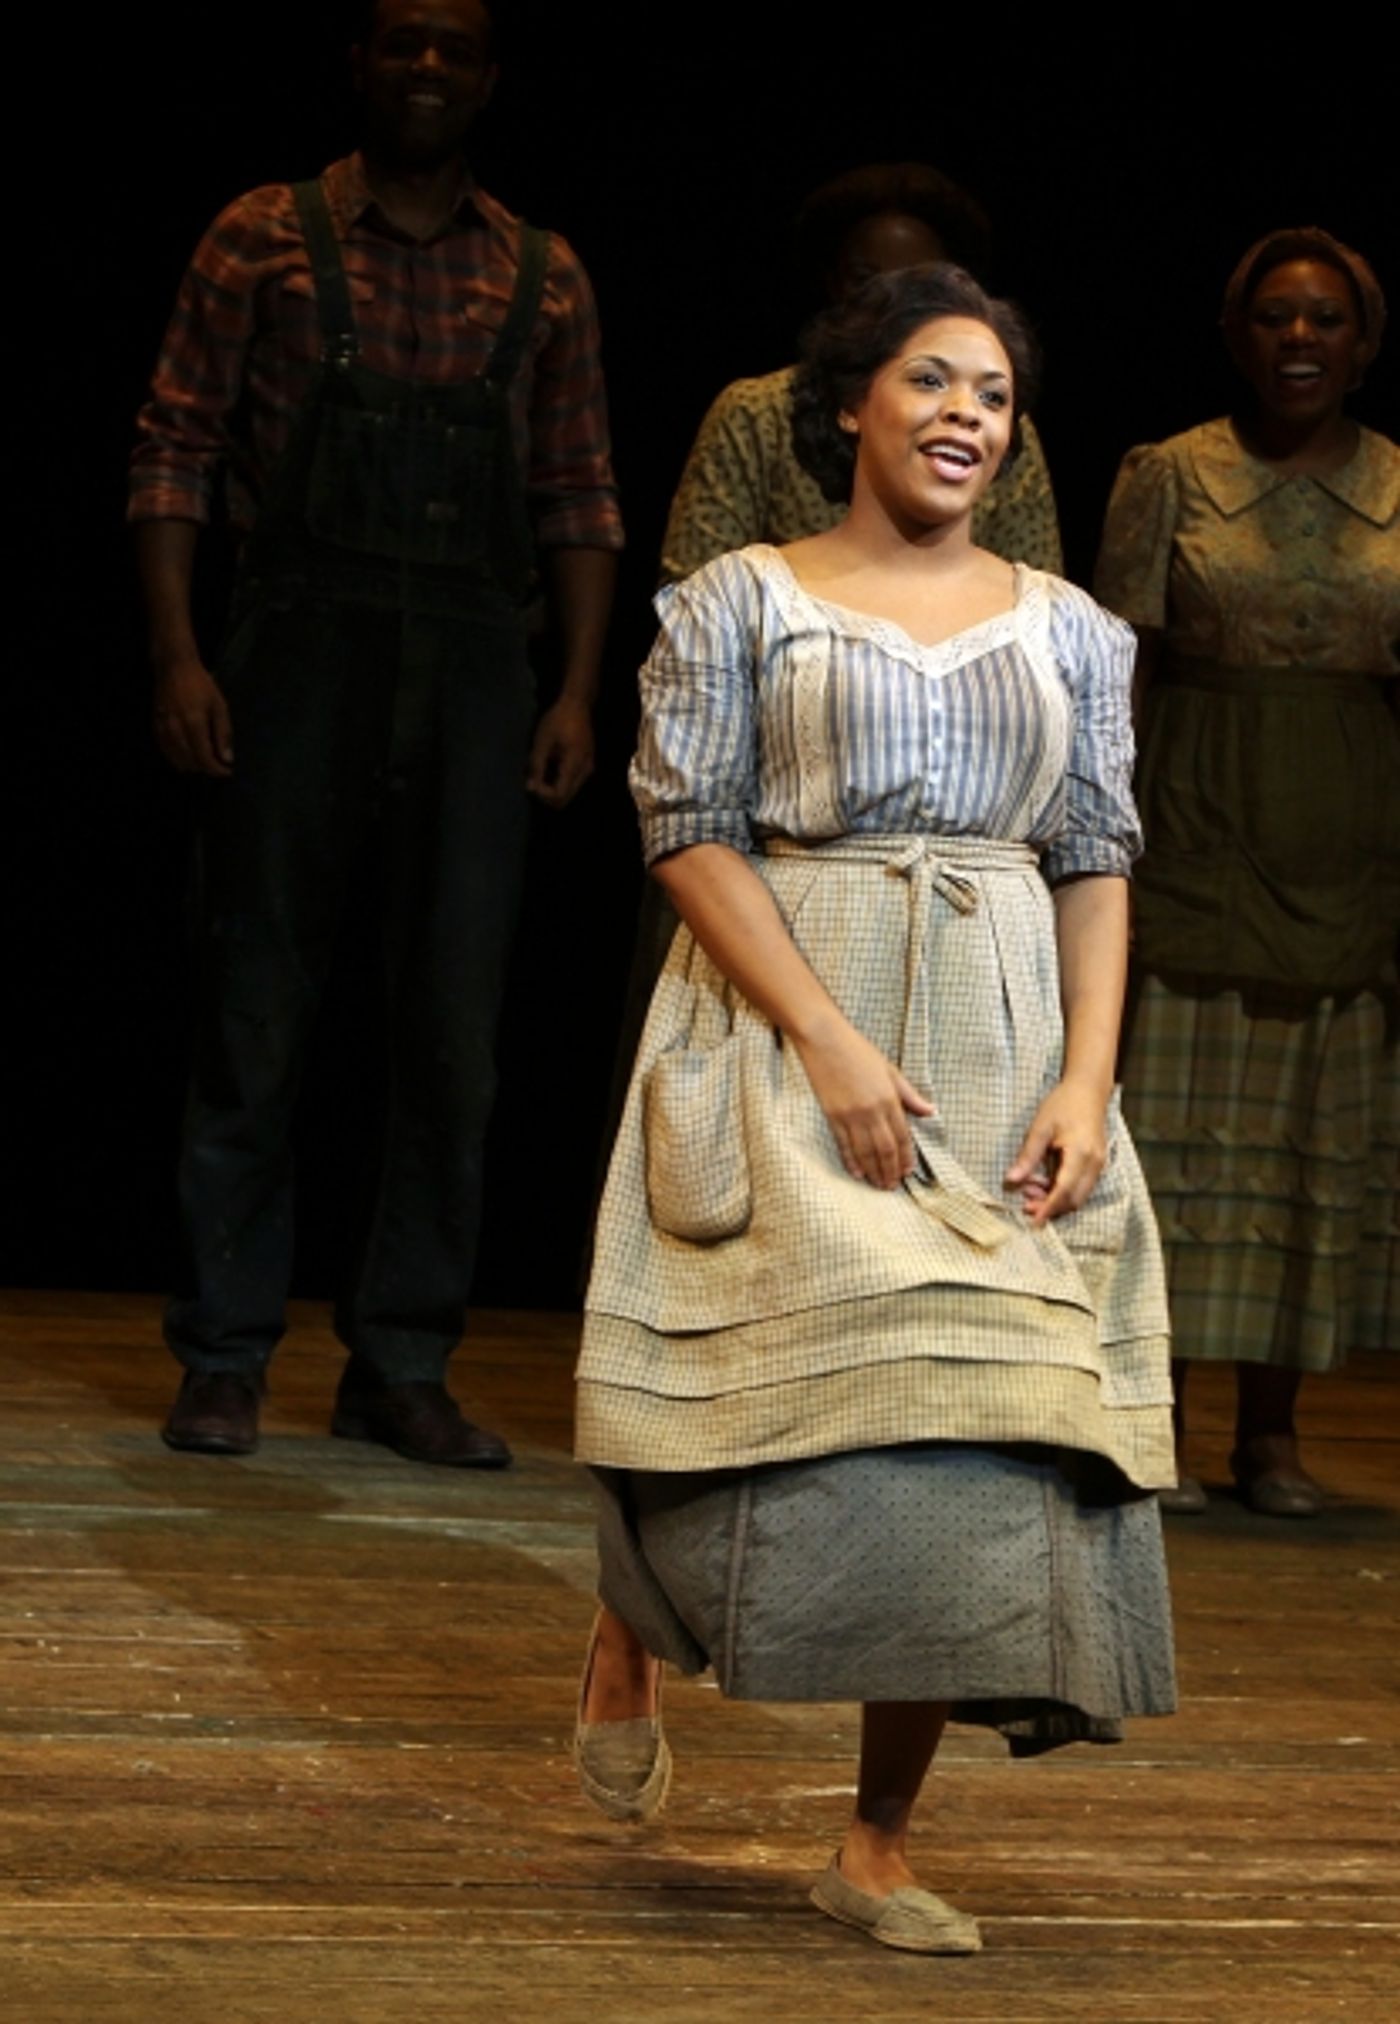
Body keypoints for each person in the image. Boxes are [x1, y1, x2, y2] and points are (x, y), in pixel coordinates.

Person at [571, 265, 1176, 1954]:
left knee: (971, 1431)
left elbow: (1098, 856)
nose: (967, 412)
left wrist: (1084, 1073)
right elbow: (689, 828)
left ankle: (879, 1834)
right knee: (749, 1366)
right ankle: (633, 1617)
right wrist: (826, 1036)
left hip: (997, 1031)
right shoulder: (742, 601)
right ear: (848, 403)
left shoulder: (1069, 629)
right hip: (791, 1000)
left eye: (993, 390)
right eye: (932, 379)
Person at [128, 0, 622, 1464]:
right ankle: (223, 1351)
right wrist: (179, 654)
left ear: (488, 78)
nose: (425, 69)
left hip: (477, 668)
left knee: (453, 1035)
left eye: (454, 50)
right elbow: (173, 449)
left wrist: (578, 688)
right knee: (258, 1009)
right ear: (358, 63)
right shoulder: (262, 233)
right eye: (399, 43)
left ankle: (401, 1359)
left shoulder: (543, 271)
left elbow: (579, 494)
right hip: (293, 651)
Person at [1094, 228, 1398, 1517]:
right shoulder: (1170, 473)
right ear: (1235, 335)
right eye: (1273, 317)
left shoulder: (1394, 483)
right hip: (1195, 809)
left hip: (1344, 825)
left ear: (1360, 342)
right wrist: (1097, 820)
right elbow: (1119, 659)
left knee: (1301, 1139)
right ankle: (1146, 1418)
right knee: (1162, 1133)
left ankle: (1268, 1434)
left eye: (1323, 319)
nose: (1297, 340)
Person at [659, 161, 1063, 585]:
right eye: (866, 279)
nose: (892, 302)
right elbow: (693, 580)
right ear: (833, 282)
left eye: (918, 285)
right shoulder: (755, 412)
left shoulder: (995, 427)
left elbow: (1035, 582)